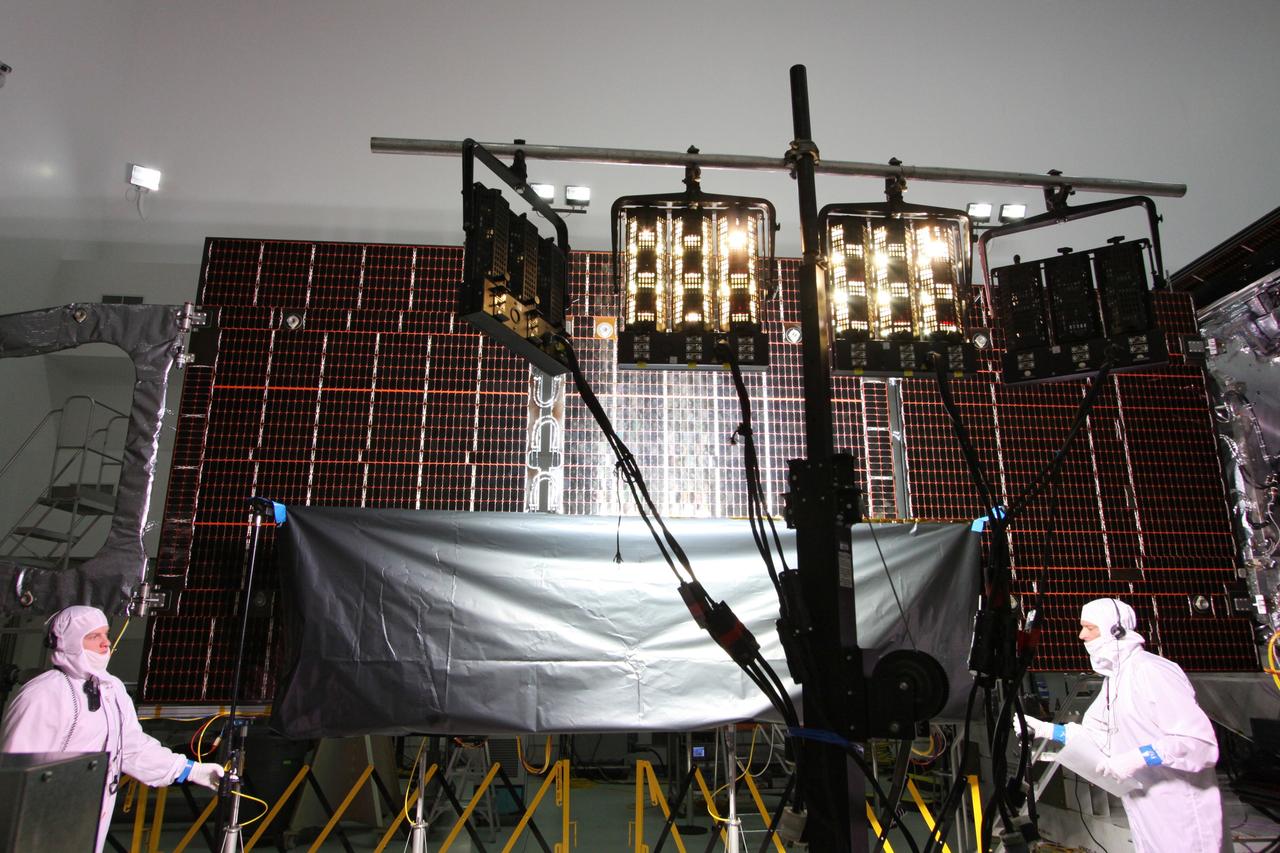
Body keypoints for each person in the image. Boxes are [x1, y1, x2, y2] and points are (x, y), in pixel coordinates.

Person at [0, 605, 224, 853]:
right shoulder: (43, 694)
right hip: (41, 825)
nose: (106, 643)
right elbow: (15, 772)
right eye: (94, 636)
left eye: (106, 634)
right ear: (68, 641)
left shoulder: (111, 689)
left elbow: (131, 747)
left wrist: (190, 770)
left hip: (87, 818)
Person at [1020, 597, 1225, 852]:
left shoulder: (1151, 671)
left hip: (1180, 806)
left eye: (1090, 628)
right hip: (1144, 805)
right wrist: (1047, 730)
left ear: (1114, 630)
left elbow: (1198, 743)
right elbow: (1099, 737)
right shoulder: (1114, 680)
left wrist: (1138, 757)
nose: (1082, 635)